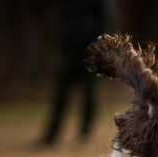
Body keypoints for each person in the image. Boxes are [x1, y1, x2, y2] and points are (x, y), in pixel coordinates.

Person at [37, 0, 111, 147]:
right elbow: (64, 19)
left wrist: (99, 48)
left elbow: (105, 21)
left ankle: (84, 133)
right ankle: (51, 135)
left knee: (89, 93)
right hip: (70, 52)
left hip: (91, 51)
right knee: (61, 93)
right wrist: (63, 40)